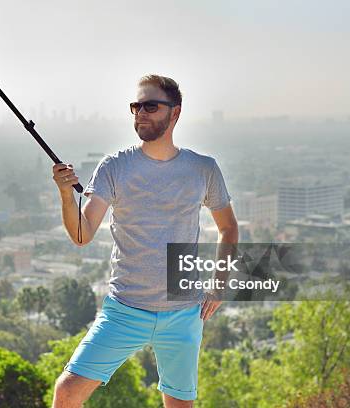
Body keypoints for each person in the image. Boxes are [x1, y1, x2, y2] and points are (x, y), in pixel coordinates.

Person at [51, 74, 239, 408]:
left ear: (175, 113)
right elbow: (82, 235)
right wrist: (67, 195)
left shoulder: (203, 169)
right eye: (136, 106)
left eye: (150, 106)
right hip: (124, 311)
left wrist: (219, 285)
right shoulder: (114, 167)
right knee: (66, 393)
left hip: (183, 314)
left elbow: (229, 229)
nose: (140, 113)